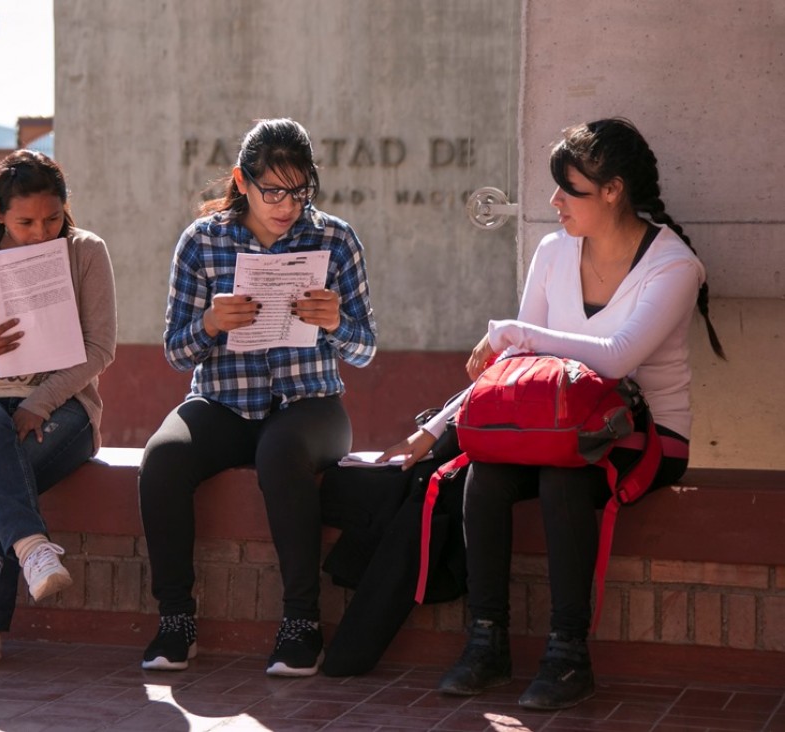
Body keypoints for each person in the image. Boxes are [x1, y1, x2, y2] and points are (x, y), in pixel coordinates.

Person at [380, 118, 725, 709]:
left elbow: (616, 360)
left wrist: (519, 331)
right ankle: (486, 642)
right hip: (555, 428)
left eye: (569, 189)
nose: (553, 201)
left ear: (612, 190)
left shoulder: (673, 266)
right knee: (484, 475)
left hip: (643, 436)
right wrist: (435, 429)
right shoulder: (551, 251)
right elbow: (516, 371)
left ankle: (569, 656)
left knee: (565, 478)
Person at [138, 118, 377, 677]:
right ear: (243, 183)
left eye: (299, 191)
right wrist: (210, 323)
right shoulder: (203, 241)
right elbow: (175, 353)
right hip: (223, 403)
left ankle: (302, 623)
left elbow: (365, 350)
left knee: (280, 451)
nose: (287, 205)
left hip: (312, 406)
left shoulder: (335, 239)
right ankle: (176, 621)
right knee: (163, 457)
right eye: (273, 190)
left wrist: (337, 323)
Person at [0, 150, 117, 671]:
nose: (40, 231)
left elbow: (100, 349)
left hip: (62, 409)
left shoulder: (86, 253)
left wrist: (38, 403)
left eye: (52, 218)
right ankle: (33, 548)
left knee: (0, 476)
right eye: (26, 220)